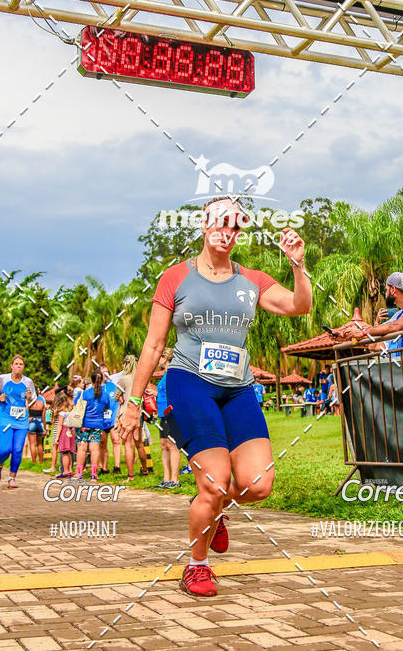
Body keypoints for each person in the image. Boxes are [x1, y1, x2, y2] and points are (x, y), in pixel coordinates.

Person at [118, 195, 311, 598]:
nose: (227, 231)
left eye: (235, 226)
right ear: (205, 224)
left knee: (258, 484)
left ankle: (214, 505)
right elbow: (153, 345)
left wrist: (298, 265)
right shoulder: (175, 277)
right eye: (221, 222)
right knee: (215, 481)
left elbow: (299, 305)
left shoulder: (252, 280)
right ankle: (197, 565)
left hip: (237, 388)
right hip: (190, 381)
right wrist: (132, 405)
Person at [342, 272, 403, 354]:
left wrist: (362, 333)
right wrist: (376, 323)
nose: (385, 294)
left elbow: (395, 326)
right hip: (402, 363)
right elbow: (374, 346)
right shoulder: (397, 316)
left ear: (393, 289)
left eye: (386, 290)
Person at [0, 355, 37, 489]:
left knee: (17, 450)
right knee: (6, 449)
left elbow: (33, 398)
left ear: (23, 367)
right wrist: (0, 398)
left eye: (21, 364)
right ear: (11, 366)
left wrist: (29, 397)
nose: (18, 366)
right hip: (5, 418)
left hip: (21, 420)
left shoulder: (28, 382)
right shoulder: (3, 379)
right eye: (16, 363)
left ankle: (12, 478)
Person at [75, 367, 111, 483]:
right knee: (94, 449)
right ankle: (94, 475)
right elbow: (106, 408)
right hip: (98, 424)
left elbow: (75, 404)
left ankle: (79, 474)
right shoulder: (105, 395)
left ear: (91, 379)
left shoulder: (85, 393)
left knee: (82, 448)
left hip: (84, 424)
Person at [116, 355, 149, 478]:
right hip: (138, 413)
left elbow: (116, 396)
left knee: (128, 446)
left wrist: (120, 396)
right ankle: (145, 470)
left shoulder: (123, 379)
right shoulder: (139, 378)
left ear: (125, 364)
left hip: (126, 413)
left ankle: (131, 476)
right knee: (139, 444)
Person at [153, 349, 182, 489]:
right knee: (163, 444)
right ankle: (166, 478)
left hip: (171, 413)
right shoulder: (165, 373)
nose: (157, 360)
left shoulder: (172, 373)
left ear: (165, 357)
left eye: (159, 357)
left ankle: (175, 480)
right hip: (162, 413)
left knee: (172, 445)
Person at [99, 365, 122, 475]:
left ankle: (117, 467)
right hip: (101, 419)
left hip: (113, 418)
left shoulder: (113, 384)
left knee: (115, 440)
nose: (106, 374)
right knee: (102, 443)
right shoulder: (97, 388)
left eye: (107, 371)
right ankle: (104, 468)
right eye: (103, 372)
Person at [56, 393, 76, 478]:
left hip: (65, 432)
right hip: (72, 431)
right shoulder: (71, 412)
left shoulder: (62, 413)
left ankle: (65, 471)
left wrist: (57, 437)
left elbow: (59, 425)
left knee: (64, 452)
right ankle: (70, 470)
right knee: (70, 452)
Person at [27, 391, 47, 465]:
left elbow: (25, 410)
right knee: (39, 443)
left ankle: (34, 462)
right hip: (40, 421)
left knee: (32, 444)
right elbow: (43, 416)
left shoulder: (29, 400)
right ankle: (41, 462)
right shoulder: (42, 400)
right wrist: (45, 427)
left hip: (31, 421)